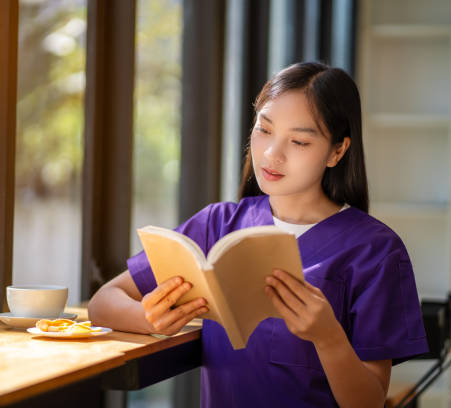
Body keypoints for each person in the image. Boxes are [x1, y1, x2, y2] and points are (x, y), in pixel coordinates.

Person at [88, 61, 429, 407]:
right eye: (264, 130)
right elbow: (104, 301)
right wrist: (149, 318)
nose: (272, 154)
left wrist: (329, 339)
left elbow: (369, 403)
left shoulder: (375, 251)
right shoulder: (216, 225)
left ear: (337, 151)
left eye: (298, 141)